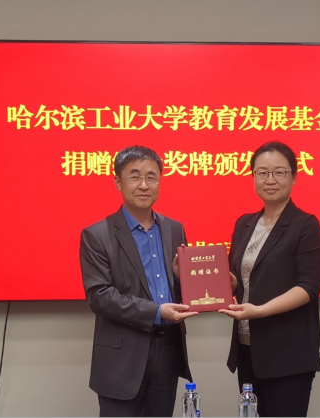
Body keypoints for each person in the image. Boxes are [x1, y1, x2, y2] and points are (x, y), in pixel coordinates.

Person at [80, 145, 198, 417]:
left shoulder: (174, 228)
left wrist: (187, 280)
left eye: (151, 177)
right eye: (134, 176)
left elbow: (182, 287)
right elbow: (100, 296)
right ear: (118, 182)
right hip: (122, 358)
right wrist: (157, 311)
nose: (144, 185)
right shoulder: (97, 235)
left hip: (168, 350)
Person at [219, 141, 320, 417]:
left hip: (288, 353)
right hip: (248, 349)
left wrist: (260, 311)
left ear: (294, 177)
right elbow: (241, 279)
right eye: (262, 173)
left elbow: (309, 287)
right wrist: (201, 277)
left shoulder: (305, 225)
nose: (270, 180)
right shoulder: (244, 224)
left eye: (279, 172)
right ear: (253, 176)